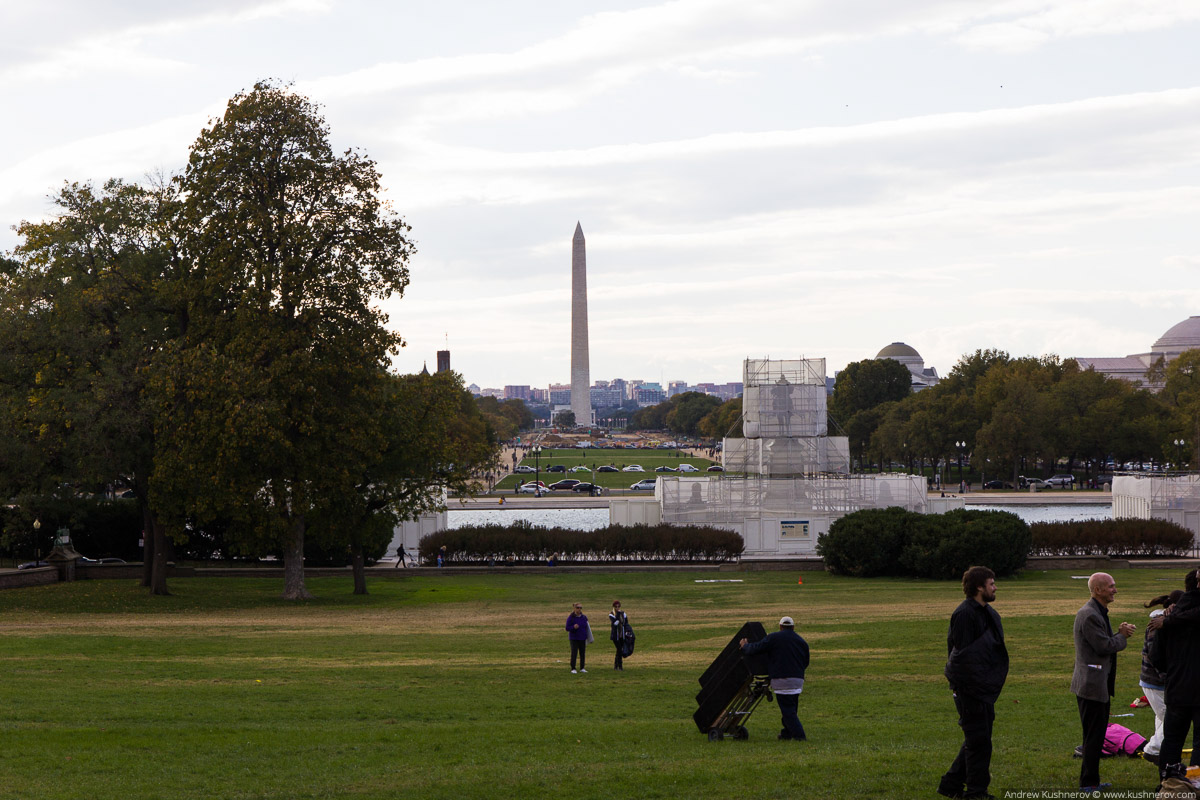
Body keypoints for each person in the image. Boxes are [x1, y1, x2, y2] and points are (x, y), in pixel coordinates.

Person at [939, 566, 1008, 800]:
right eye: (991, 583)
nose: (995, 587)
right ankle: (976, 792)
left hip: (982, 687)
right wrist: (970, 687)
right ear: (979, 587)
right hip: (969, 689)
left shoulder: (987, 612)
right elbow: (964, 656)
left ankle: (951, 784)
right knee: (979, 741)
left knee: (979, 739)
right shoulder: (965, 614)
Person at [1071, 572, 1136, 793]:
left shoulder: (1097, 612)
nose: (1115, 590)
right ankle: (1088, 784)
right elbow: (1104, 647)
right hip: (1091, 686)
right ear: (1098, 590)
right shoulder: (1090, 614)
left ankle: (1091, 781)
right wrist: (1122, 636)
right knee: (1094, 737)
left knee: (1096, 736)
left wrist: (1116, 633)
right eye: (1111, 586)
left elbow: (1104, 642)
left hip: (1096, 684)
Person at [1150, 569, 1200, 779]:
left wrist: (1172, 671)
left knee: (1172, 739)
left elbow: (1156, 657)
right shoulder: (1175, 616)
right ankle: (1195, 781)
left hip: (1177, 686)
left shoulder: (1169, 617)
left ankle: (1167, 780)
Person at [739, 616, 810, 741]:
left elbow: (756, 648)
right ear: (793, 627)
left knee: (788, 711)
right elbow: (806, 661)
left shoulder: (774, 638)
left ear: (780, 626)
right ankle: (786, 734)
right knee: (791, 708)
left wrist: (745, 646)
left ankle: (800, 736)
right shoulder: (801, 641)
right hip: (798, 680)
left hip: (781, 680)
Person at [1139, 590, 1183, 763]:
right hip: (1154, 682)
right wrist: (1168, 678)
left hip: (1158, 682)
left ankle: (1159, 751)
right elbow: (1155, 656)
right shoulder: (1156, 627)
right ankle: (1152, 750)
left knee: (1162, 717)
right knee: (1171, 719)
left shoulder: (1164, 624)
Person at [566, 603, 589, 674]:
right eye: (578, 608)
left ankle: (582, 667)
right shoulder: (571, 617)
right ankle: (573, 668)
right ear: (574, 608)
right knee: (574, 653)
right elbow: (567, 628)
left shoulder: (584, 617)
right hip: (574, 638)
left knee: (582, 653)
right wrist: (573, 627)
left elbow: (587, 627)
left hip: (582, 638)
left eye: (580, 608)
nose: (579, 609)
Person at [609, 600, 630, 670]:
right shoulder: (611, 614)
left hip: (622, 635)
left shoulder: (623, 614)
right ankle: (620, 666)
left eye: (618, 606)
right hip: (615, 635)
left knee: (619, 650)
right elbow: (615, 623)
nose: (617, 608)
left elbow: (626, 623)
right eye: (616, 606)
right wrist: (618, 614)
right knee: (619, 650)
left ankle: (616, 665)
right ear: (613, 607)